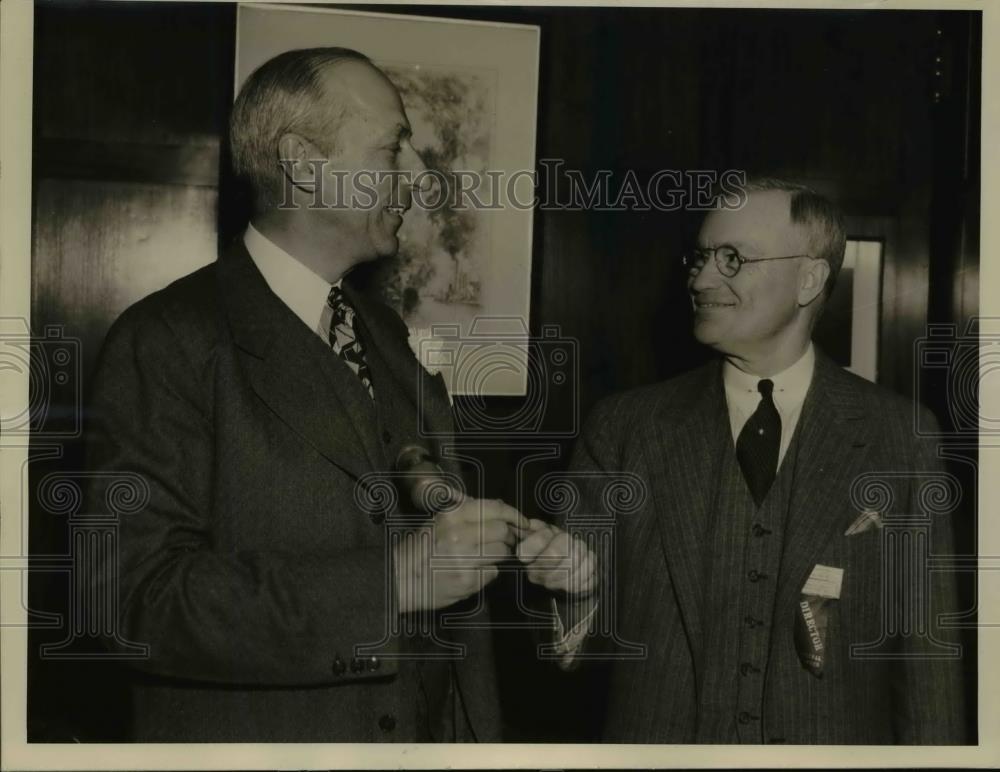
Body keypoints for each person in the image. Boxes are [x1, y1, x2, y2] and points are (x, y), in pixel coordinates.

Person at [84, 47, 533, 742]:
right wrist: (393, 584)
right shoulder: (166, 341)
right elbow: (132, 603)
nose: (416, 175)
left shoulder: (381, 333)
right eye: (393, 148)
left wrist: (517, 542)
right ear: (301, 161)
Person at [556, 178, 966, 743]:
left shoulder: (902, 437)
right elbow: (576, 646)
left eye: (732, 259)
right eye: (699, 257)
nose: (700, 278)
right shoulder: (625, 428)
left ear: (809, 279)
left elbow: (929, 672)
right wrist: (569, 590)